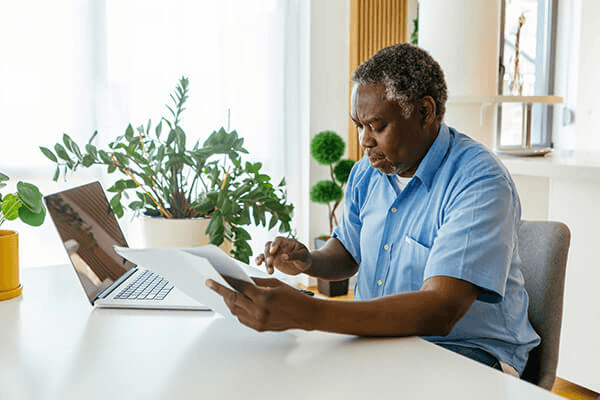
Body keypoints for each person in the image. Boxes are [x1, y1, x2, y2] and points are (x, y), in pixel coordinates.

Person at [206, 42, 540, 377]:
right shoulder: (369, 172)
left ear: (425, 112)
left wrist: (306, 312)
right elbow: (348, 253)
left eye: (377, 126)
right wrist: (309, 260)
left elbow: (441, 310)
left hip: (467, 352)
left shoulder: (478, 180)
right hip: (385, 342)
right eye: (359, 125)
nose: (365, 141)